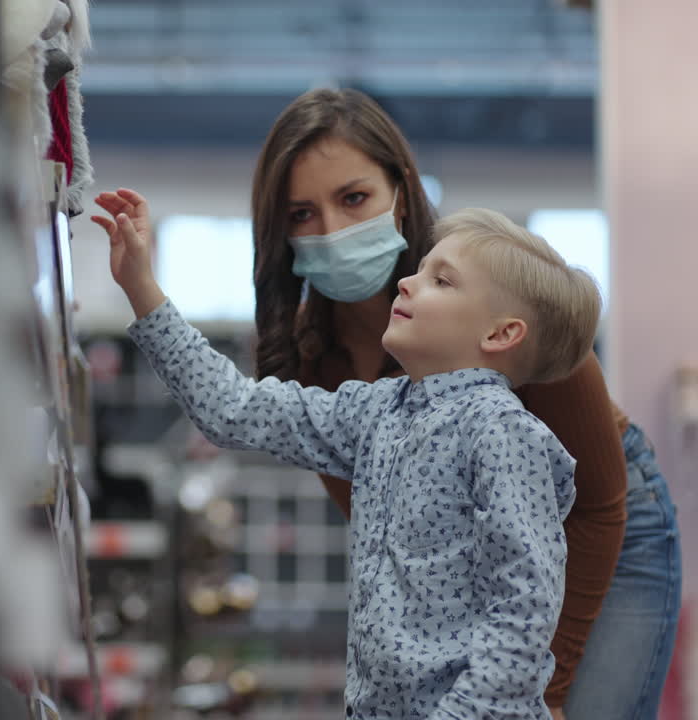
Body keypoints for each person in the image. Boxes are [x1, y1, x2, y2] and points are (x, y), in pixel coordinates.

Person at [246, 88, 681, 720]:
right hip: (489, 562)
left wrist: (544, 694)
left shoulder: (495, 289)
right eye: (302, 214)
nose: (333, 231)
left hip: (601, 527)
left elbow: (598, 508)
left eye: (354, 198)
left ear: (401, 193)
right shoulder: (312, 357)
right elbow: (394, 542)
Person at [93, 196, 600, 719]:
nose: (408, 282)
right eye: (420, 271)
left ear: (500, 334)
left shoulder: (504, 434)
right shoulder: (378, 411)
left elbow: (524, 604)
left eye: (442, 281)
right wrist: (141, 289)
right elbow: (236, 409)